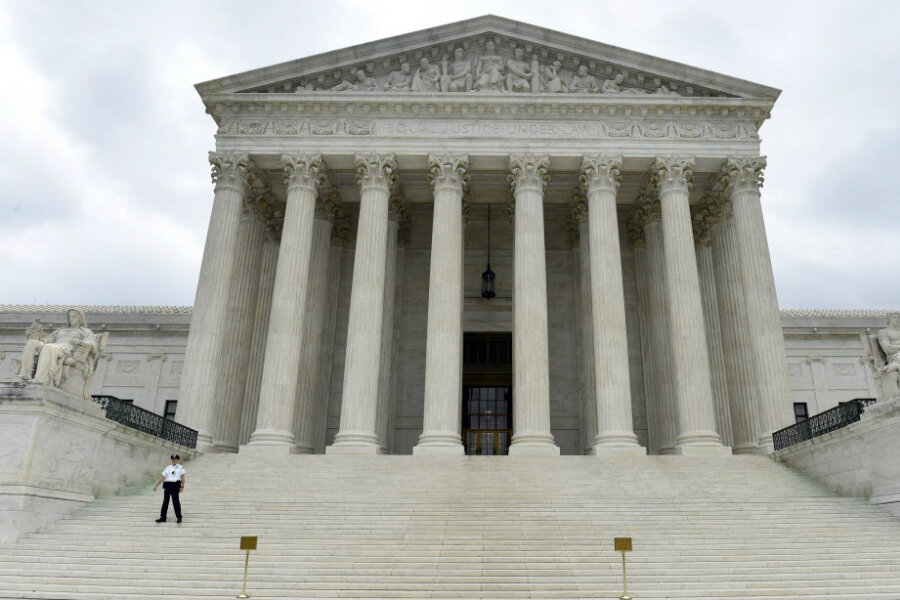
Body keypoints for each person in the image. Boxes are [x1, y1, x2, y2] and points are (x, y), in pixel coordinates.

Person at [154, 454, 186, 523]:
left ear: (177, 460)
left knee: (176, 501)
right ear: (171, 460)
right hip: (167, 485)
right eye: (173, 459)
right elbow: (163, 477)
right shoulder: (168, 467)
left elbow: (183, 478)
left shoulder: (180, 467)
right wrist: (156, 485)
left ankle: (179, 517)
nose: (174, 460)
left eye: (175, 459)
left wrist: (182, 486)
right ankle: (163, 517)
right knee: (165, 501)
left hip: (175, 485)